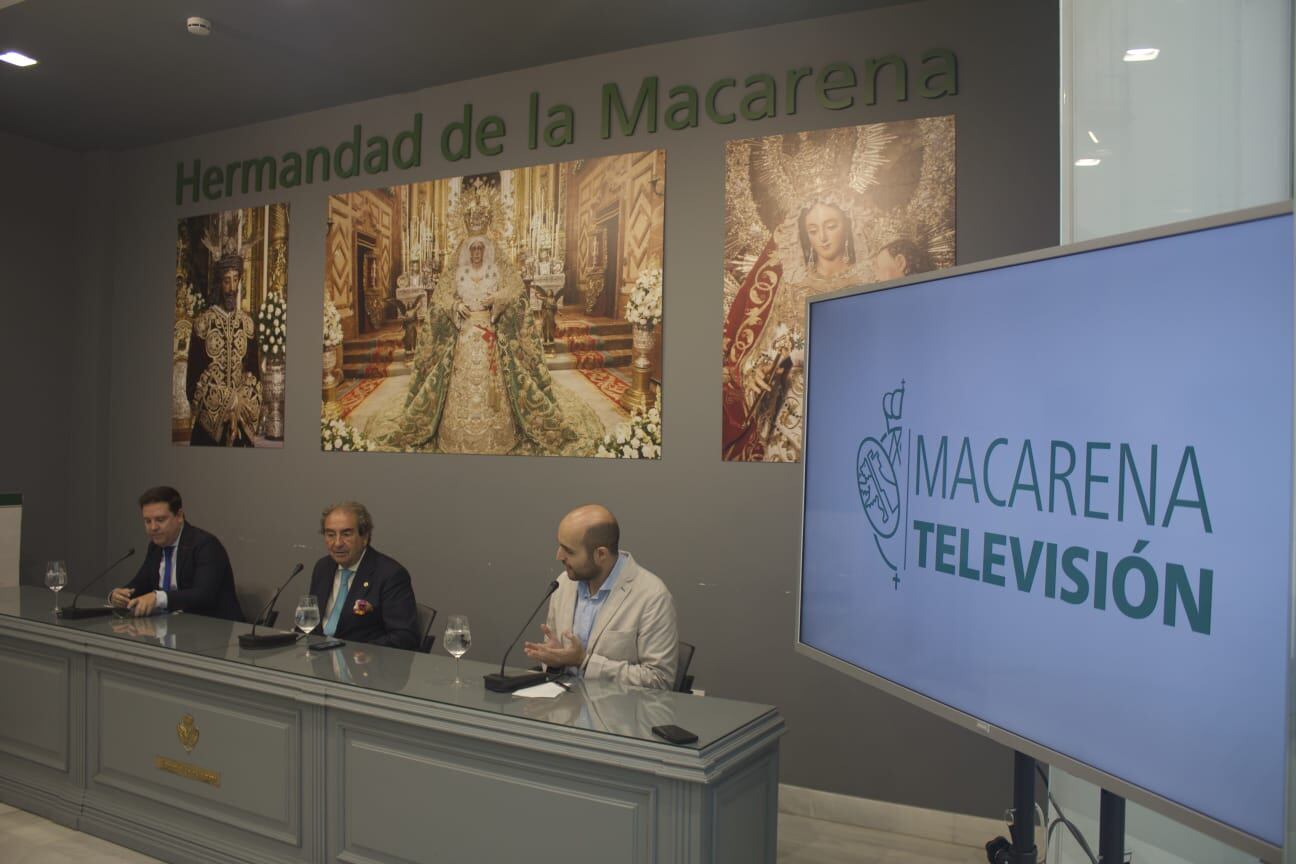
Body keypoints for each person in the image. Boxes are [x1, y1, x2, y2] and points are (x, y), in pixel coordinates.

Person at [372, 177, 601, 455]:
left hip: (490, 333)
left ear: (486, 247)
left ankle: (501, 434)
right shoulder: (457, 270)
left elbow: (516, 290)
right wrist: (455, 307)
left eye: (481, 247)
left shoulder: (498, 267)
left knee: (497, 383)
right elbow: (442, 296)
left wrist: (498, 299)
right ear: (468, 248)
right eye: (473, 248)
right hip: (466, 335)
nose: (477, 252)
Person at [524, 505, 678, 690]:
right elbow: (554, 668)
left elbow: (660, 680)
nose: (559, 556)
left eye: (569, 551)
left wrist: (584, 662)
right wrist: (555, 660)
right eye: (559, 546)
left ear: (601, 554)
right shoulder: (563, 583)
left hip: (619, 717)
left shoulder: (652, 596)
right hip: (563, 712)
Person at [110, 486, 245, 620]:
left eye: (160, 520)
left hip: (214, 630)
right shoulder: (155, 547)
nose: (153, 527)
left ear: (179, 516)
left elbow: (204, 596)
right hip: (173, 629)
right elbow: (139, 585)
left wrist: (158, 598)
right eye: (147, 521)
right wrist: (118, 596)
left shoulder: (205, 545)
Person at [307, 502, 419, 650]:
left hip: (365, 666)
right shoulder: (323, 568)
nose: (337, 543)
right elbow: (311, 624)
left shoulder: (390, 574)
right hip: (321, 660)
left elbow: (404, 637)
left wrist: (355, 653)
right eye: (330, 535)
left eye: (346, 534)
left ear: (364, 537)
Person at [186, 252, 261, 446]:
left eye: (236, 280)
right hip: (209, 429)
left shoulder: (248, 325)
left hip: (241, 422)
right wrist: (227, 401)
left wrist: (240, 402)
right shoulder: (203, 324)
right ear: (219, 283)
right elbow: (193, 383)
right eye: (227, 281)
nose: (232, 288)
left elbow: (255, 376)